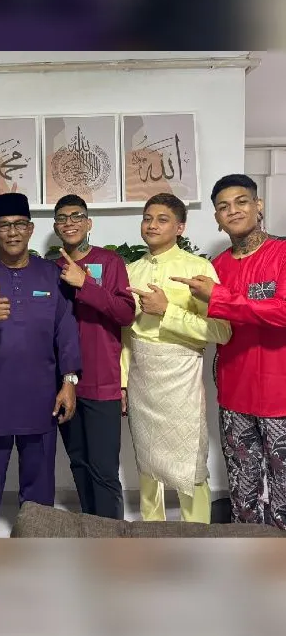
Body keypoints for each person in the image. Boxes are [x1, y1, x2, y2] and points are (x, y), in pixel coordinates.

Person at [0, 192, 81, 537]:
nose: (12, 232)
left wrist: (68, 382)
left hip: (40, 400)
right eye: (4, 226)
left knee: (39, 490)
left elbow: (66, 331)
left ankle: (37, 557)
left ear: (31, 228)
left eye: (19, 224)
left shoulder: (51, 275)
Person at [174, 174, 286, 530]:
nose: (233, 210)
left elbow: (282, 312)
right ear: (217, 218)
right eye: (223, 206)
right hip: (234, 394)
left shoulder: (282, 253)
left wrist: (220, 298)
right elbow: (207, 327)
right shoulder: (216, 268)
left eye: (241, 201)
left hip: (279, 396)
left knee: (284, 490)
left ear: (259, 206)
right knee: (242, 489)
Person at [122, 193, 231, 524]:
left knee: (190, 461)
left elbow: (221, 331)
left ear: (180, 227)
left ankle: (197, 534)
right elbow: (126, 336)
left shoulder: (198, 269)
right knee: (147, 462)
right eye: (147, 218)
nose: (152, 225)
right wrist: (124, 382)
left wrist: (167, 311)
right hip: (142, 377)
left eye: (162, 219)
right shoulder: (130, 271)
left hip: (181, 374)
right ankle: (151, 534)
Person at [54, 194, 135, 520]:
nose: (70, 222)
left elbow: (125, 313)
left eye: (77, 216)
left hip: (102, 381)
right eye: (62, 218)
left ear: (89, 223)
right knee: (79, 462)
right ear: (56, 226)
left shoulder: (110, 262)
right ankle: (91, 529)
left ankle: (110, 539)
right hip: (64, 383)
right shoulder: (51, 268)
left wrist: (85, 283)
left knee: (103, 468)